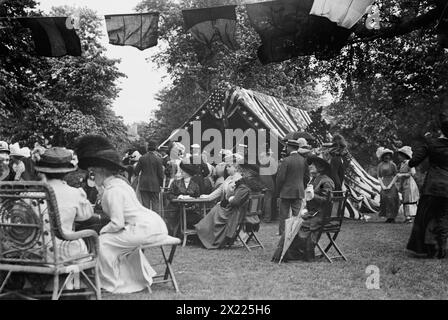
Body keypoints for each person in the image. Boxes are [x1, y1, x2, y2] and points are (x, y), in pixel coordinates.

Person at [75, 135, 169, 293]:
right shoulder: (119, 184)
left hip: (144, 229)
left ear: (101, 171)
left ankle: (112, 283)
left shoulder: (113, 191)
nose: (92, 176)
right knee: (119, 242)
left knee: (103, 243)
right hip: (154, 224)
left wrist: (102, 231)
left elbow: (117, 223)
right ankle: (136, 278)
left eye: (93, 173)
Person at [34, 147, 94, 262]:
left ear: (43, 170)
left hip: (33, 250)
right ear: (66, 172)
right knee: (87, 239)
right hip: (61, 251)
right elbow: (85, 216)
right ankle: (83, 279)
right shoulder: (75, 193)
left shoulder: (28, 194)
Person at [272, 156, 335, 262]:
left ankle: (292, 254)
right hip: (313, 214)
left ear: (320, 167)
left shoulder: (326, 181)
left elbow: (327, 201)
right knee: (292, 223)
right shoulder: (314, 180)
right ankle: (286, 254)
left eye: (313, 165)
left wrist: (313, 196)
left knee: (295, 225)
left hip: (320, 217)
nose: (310, 166)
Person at [405, 110, 448, 259]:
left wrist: (408, 161)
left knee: (427, 217)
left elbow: (414, 161)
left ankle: (431, 249)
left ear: (441, 130)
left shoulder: (431, 143)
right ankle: (441, 249)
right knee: (443, 217)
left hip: (433, 187)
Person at [195, 170, 263, 249]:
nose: (243, 174)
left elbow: (235, 202)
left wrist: (230, 198)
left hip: (236, 214)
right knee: (216, 209)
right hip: (252, 215)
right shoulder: (256, 188)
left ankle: (207, 236)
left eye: (245, 173)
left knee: (215, 211)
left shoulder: (244, 187)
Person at [276, 139, 310, 235]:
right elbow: (307, 177)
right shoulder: (303, 160)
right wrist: (301, 186)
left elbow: (280, 178)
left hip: (286, 191)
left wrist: (279, 190)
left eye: (287, 147)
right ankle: (297, 233)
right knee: (297, 215)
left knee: (284, 215)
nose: (286, 149)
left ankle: (283, 234)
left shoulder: (286, 160)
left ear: (290, 147)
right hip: (298, 191)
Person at [167, 161, 201, 235]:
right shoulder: (175, 183)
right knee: (179, 215)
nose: (181, 172)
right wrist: (178, 197)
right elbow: (169, 195)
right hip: (177, 209)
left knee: (196, 217)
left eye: (184, 171)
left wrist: (192, 206)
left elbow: (197, 199)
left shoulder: (195, 185)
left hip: (190, 210)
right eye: (181, 170)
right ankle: (177, 234)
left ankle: (191, 236)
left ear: (189, 173)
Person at [134, 140, 164, 212]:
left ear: (148, 148)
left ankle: (147, 221)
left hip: (144, 184)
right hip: (155, 184)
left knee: (145, 206)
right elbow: (161, 174)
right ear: (155, 148)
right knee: (155, 205)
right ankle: (155, 221)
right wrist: (161, 184)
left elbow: (136, 171)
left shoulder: (142, 158)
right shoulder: (158, 159)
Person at [396, 146, 419, 224]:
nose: (398, 157)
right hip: (404, 183)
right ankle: (407, 216)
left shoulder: (409, 163)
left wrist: (402, 175)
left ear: (403, 155)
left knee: (409, 198)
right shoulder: (402, 164)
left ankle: (409, 217)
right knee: (405, 198)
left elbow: (412, 173)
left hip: (409, 183)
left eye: (400, 155)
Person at [376, 147, 400, 223]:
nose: (387, 156)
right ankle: (387, 217)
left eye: (388, 155)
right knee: (384, 199)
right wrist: (383, 186)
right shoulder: (380, 165)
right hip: (384, 182)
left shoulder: (393, 165)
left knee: (392, 199)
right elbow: (379, 176)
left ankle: (392, 217)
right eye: (385, 155)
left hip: (391, 182)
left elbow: (396, 175)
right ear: (383, 156)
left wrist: (390, 185)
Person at [259, 148, 278, 223]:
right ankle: (268, 217)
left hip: (261, 180)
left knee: (263, 200)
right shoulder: (272, 160)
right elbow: (274, 171)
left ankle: (262, 216)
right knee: (268, 200)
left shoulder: (260, 160)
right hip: (269, 180)